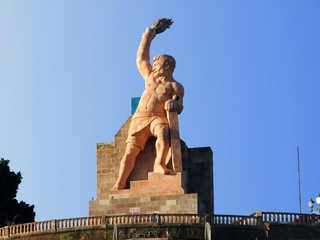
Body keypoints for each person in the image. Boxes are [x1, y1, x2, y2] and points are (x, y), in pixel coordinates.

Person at [112, 27, 184, 190]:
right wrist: (147, 37)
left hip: (157, 118)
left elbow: (179, 103)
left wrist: (174, 104)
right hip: (139, 118)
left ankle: (159, 164)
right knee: (129, 152)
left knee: (163, 133)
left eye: (157, 64)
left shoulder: (174, 86)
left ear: (166, 66)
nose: (154, 67)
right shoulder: (151, 78)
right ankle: (120, 182)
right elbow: (141, 59)